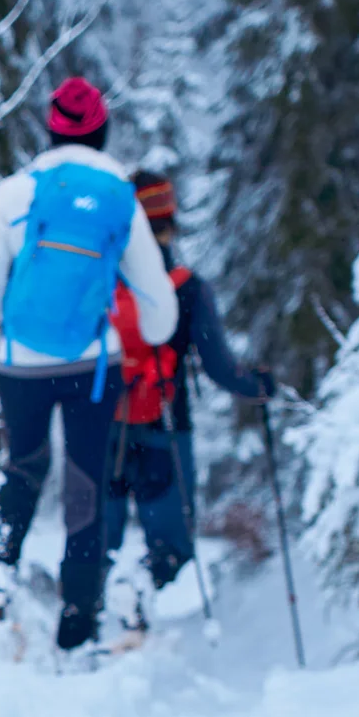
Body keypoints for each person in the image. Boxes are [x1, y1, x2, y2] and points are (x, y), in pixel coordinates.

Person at [0, 77, 179, 650]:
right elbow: (158, 307)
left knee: (24, 467)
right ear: (103, 131)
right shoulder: (118, 197)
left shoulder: (13, 195)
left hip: (20, 363)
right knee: (86, 481)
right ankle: (77, 623)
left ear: (49, 127)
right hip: (93, 366)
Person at [102, 172, 268, 595]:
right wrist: (259, 385)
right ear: (169, 223)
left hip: (102, 426)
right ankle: (166, 638)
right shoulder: (188, 289)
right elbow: (219, 369)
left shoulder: (98, 284)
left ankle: (97, 630)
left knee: (99, 545)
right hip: (167, 427)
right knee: (171, 548)